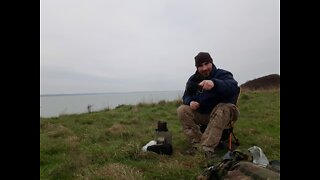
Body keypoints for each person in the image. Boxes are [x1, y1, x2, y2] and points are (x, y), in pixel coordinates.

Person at [177, 52, 240, 159]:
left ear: (212, 62)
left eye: (207, 64)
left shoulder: (223, 74)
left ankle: (207, 148)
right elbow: (186, 95)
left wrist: (215, 83)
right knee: (182, 110)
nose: (204, 68)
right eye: (200, 66)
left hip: (225, 114)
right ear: (197, 68)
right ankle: (197, 143)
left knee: (223, 108)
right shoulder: (193, 79)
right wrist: (190, 102)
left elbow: (233, 87)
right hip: (205, 114)